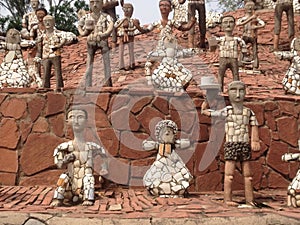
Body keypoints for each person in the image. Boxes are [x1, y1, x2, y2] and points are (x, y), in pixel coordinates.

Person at [201, 81, 260, 207]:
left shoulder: (248, 112)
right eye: (234, 90)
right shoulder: (226, 111)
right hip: (231, 145)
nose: (238, 94)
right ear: (228, 92)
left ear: (245, 92)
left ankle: (250, 199)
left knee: (248, 176)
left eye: (241, 90)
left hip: (244, 145)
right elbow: (206, 112)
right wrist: (207, 99)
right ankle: (227, 199)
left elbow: (254, 124)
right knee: (229, 175)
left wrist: (255, 140)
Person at [51, 107, 108, 207]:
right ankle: (58, 198)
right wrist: (66, 159)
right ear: (67, 121)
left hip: (85, 182)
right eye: (72, 117)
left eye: (80, 117)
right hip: (71, 183)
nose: (76, 121)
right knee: (63, 177)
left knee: (89, 178)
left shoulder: (91, 147)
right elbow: (59, 164)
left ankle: (88, 198)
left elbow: (104, 155)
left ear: (86, 121)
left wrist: (104, 169)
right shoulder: (64, 147)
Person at [143, 120, 193, 197]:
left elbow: (187, 143)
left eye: (169, 131)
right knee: (154, 178)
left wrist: (177, 143)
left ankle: (176, 189)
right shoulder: (158, 145)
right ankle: (160, 189)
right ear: (159, 136)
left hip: (174, 165)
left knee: (181, 176)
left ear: (174, 135)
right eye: (164, 131)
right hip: (159, 166)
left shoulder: (174, 146)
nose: (166, 133)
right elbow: (145, 145)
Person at [78, 0, 114, 87]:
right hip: (90, 42)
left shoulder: (106, 17)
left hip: (103, 41)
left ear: (102, 4)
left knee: (106, 62)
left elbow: (111, 25)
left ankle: (108, 82)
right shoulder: (86, 17)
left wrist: (104, 34)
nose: (94, 5)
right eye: (92, 2)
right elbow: (79, 26)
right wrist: (83, 33)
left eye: (97, 2)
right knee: (89, 62)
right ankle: (88, 83)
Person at [209, 15, 247, 92]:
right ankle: (220, 90)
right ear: (221, 25)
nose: (228, 24)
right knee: (220, 75)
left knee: (236, 75)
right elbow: (212, 48)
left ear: (234, 24)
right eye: (225, 22)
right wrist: (212, 42)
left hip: (234, 58)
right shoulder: (220, 39)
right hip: (223, 58)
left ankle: (236, 91)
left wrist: (242, 58)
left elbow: (244, 47)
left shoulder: (237, 39)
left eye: (231, 22)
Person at [35, 15, 66, 90]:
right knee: (45, 73)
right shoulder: (42, 35)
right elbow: (39, 47)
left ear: (53, 22)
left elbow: (64, 39)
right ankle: (45, 87)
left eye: (49, 21)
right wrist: (38, 56)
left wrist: (59, 45)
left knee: (57, 71)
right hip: (45, 55)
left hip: (55, 54)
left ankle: (59, 87)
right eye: (45, 21)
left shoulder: (58, 33)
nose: (47, 23)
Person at [114, 2, 147, 70]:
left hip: (130, 36)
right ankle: (121, 65)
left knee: (131, 50)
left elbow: (138, 28)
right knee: (121, 50)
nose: (127, 10)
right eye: (125, 8)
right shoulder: (120, 21)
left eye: (129, 8)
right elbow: (115, 27)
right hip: (122, 36)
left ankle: (132, 63)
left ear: (132, 10)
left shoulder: (133, 21)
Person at [236, 1, 265, 69]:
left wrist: (257, 27)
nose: (250, 7)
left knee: (254, 51)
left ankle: (255, 65)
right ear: (245, 8)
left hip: (253, 36)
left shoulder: (255, 19)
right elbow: (238, 23)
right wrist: (250, 18)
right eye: (248, 6)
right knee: (242, 49)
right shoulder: (244, 19)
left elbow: (263, 24)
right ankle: (241, 64)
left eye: (251, 6)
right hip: (245, 35)